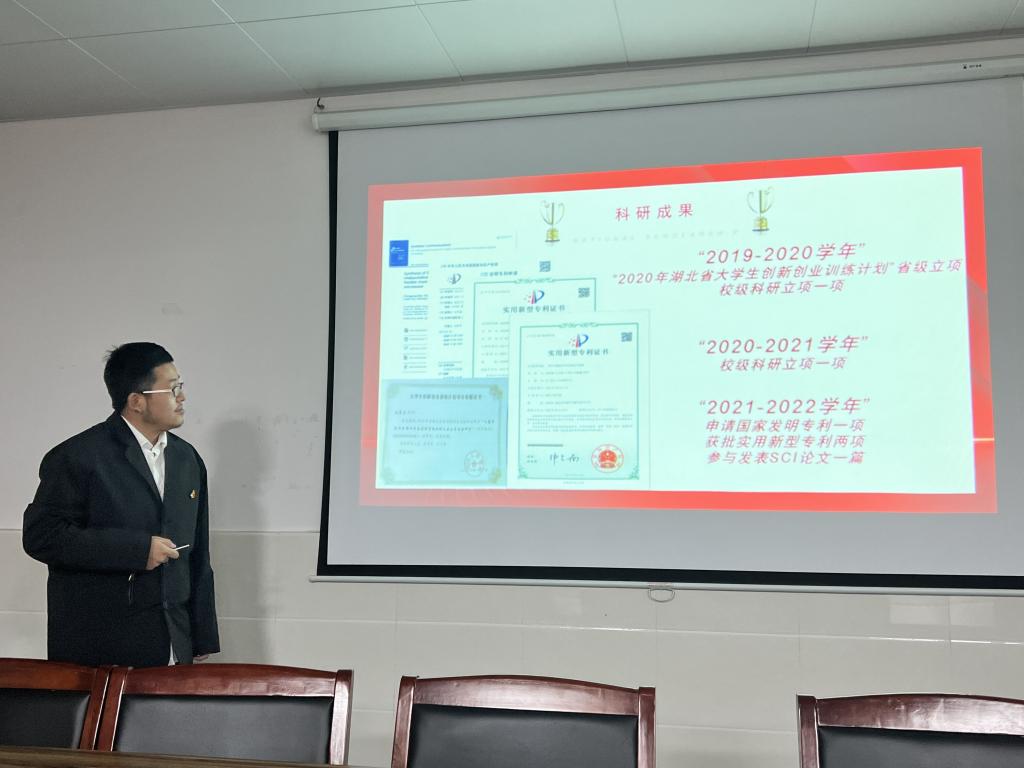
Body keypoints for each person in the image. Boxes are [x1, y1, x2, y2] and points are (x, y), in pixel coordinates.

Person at [23, 342, 219, 667]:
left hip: (175, 642)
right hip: (104, 645)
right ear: (136, 401)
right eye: (172, 389)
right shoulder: (78, 456)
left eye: (181, 386)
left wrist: (202, 634)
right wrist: (137, 550)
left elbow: (198, 552)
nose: (182, 397)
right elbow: (42, 536)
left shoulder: (187, 459)